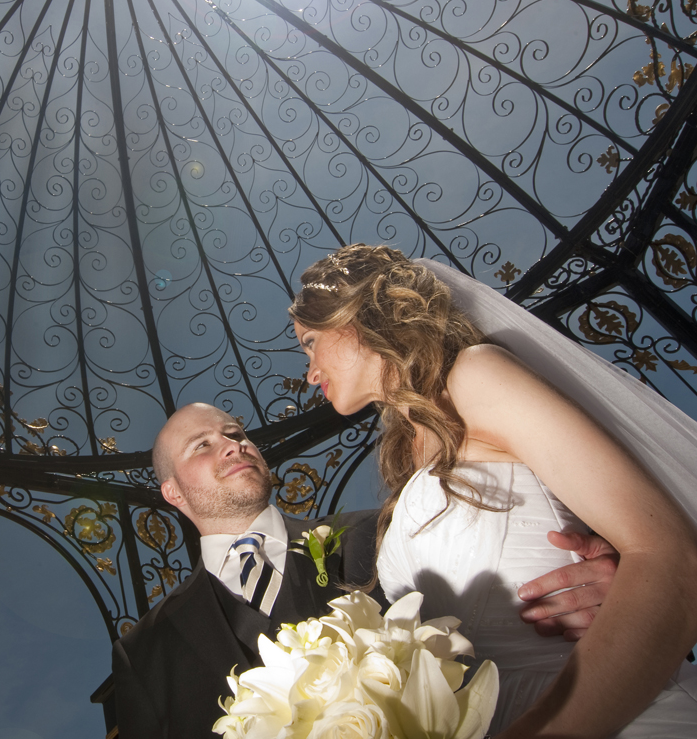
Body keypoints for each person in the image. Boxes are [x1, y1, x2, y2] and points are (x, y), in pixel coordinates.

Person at [288, 244, 697, 737]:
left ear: (358, 315)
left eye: (310, 341)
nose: (310, 373)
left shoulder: (476, 377)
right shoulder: (413, 453)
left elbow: (667, 553)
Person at [111, 401, 620, 738]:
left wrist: (611, 590)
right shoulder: (144, 650)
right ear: (173, 492)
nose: (234, 443)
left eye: (236, 432)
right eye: (202, 444)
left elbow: (503, 596)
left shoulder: (381, 531)